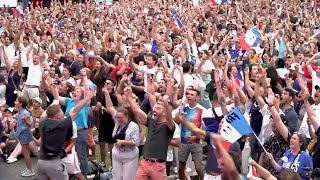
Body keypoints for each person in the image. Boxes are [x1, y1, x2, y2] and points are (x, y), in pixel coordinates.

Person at [36, 84, 95, 180]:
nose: (63, 112)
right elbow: (75, 111)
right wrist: (86, 98)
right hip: (54, 163)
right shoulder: (61, 125)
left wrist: (55, 99)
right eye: (60, 111)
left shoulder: (42, 122)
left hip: (41, 162)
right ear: (57, 116)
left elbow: (46, 112)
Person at [125, 85, 175, 179]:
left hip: (158, 165)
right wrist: (128, 96)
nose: (154, 110)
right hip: (144, 163)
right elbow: (136, 110)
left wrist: (165, 104)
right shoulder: (151, 122)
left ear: (164, 112)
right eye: (155, 108)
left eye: (158, 108)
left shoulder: (169, 126)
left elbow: (169, 118)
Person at [102, 87, 140, 180]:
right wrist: (106, 94)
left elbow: (136, 142)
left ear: (126, 116)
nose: (118, 119)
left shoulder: (133, 126)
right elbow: (110, 107)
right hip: (117, 154)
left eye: (120, 118)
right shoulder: (116, 121)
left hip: (129, 155)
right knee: (116, 177)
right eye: (117, 117)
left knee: (128, 177)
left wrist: (123, 142)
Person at [15, 96, 34, 177]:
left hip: (25, 134)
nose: (15, 102)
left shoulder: (25, 113)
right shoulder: (20, 111)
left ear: (20, 103)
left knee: (26, 153)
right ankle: (28, 168)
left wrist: (25, 120)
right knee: (25, 153)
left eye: (16, 101)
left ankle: (30, 170)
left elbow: (30, 124)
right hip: (22, 134)